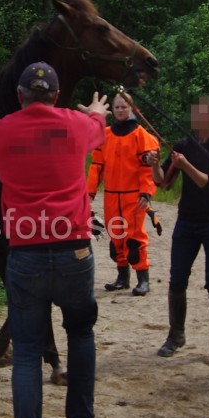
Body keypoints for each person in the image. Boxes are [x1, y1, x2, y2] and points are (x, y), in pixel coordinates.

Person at [0, 62, 109, 418]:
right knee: (81, 333)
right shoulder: (76, 123)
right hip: (74, 251)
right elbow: (97, 128)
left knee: (29, 353)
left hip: (26, 255)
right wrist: (97, 112)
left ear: (20, 95)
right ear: (55, 96)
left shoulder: (0, 130)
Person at [146, 96, 209, 363]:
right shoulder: (184, 145)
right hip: (187, 221)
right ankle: (176, 335)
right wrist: (154, 164)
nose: (197, 118)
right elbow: (164, 183)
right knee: (177, 279)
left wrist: (186, 166)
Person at [86, 93, 160, 295]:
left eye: (123, 107)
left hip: (133, 196)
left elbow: (147, 169)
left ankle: (143, 278)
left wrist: (146, 193)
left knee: (134, 237)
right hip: (111, 195)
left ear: (132, 109)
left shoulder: (141, 135)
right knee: (116, 236)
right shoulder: (105, 135)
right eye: (117, 107)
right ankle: (122, 277)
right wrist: (89, 191)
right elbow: (97, 166)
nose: (120, 110)